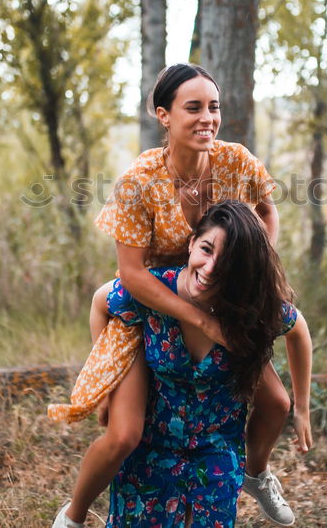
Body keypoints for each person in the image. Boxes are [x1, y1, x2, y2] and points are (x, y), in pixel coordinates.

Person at [49, 64, 308, 526]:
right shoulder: (140, 180)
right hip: (152, 301)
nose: (207, 117)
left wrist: (253, 267)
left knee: (276, 402)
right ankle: (72, 515)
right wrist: (201, 320)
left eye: (214, 106)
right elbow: (129, 274)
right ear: (163, 115)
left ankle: (255, 471)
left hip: (219, 293)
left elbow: (267, 210)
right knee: (125, 433)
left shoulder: (235, 160)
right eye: (193, 108)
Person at [99, 201, 313, 526]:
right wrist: (106, 386)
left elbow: (298, 331)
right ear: (191, 242)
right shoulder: (155, 291)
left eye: (226, 262)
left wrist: (302, 407)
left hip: (217, 448)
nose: (211, 268)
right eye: (206, 249)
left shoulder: (251, 307)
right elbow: (102, 303)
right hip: (153, 447)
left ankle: (256, 475)